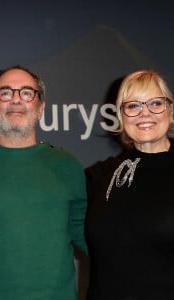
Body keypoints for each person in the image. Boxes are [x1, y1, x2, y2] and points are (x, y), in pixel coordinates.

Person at [0, 66, 88, 300]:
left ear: (41, 109)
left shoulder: (68, 166)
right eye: (5, 93)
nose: (16, 100)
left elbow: (95, 240)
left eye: (27, 93)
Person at [85, 70, 174, 299]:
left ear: (171, 111)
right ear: (121, 115)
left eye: (156, 103)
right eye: (133, 106)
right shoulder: (100, 175)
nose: (145, 113)